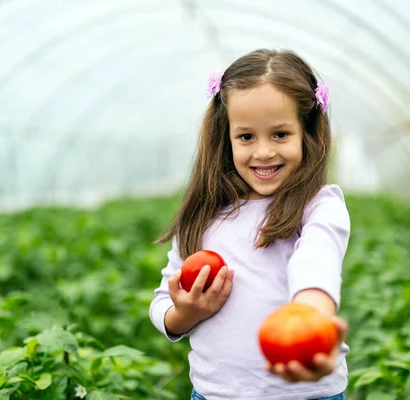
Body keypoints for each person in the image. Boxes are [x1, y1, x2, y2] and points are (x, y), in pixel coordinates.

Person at [149, 48, 350, 400]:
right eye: (246, 137)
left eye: (280, 135)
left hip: (306, 395)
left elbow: (317, 264)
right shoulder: (206, 214)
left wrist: (311, 321)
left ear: (308, 133)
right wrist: (184, 313)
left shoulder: (319, 206)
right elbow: (162, 301)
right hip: (215, 394)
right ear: (224, 139)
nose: (263, 152)